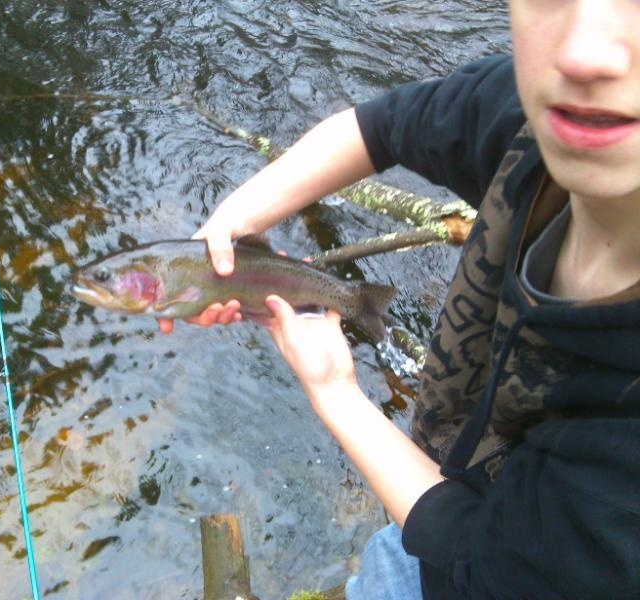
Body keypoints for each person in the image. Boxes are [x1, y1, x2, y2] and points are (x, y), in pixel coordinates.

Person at [161, 1, 640, 597]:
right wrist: (235, 222)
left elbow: (476, 565)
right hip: (444, 496)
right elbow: (378, 128)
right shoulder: (545, 120)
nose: (581, 50)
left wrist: (335, 390)